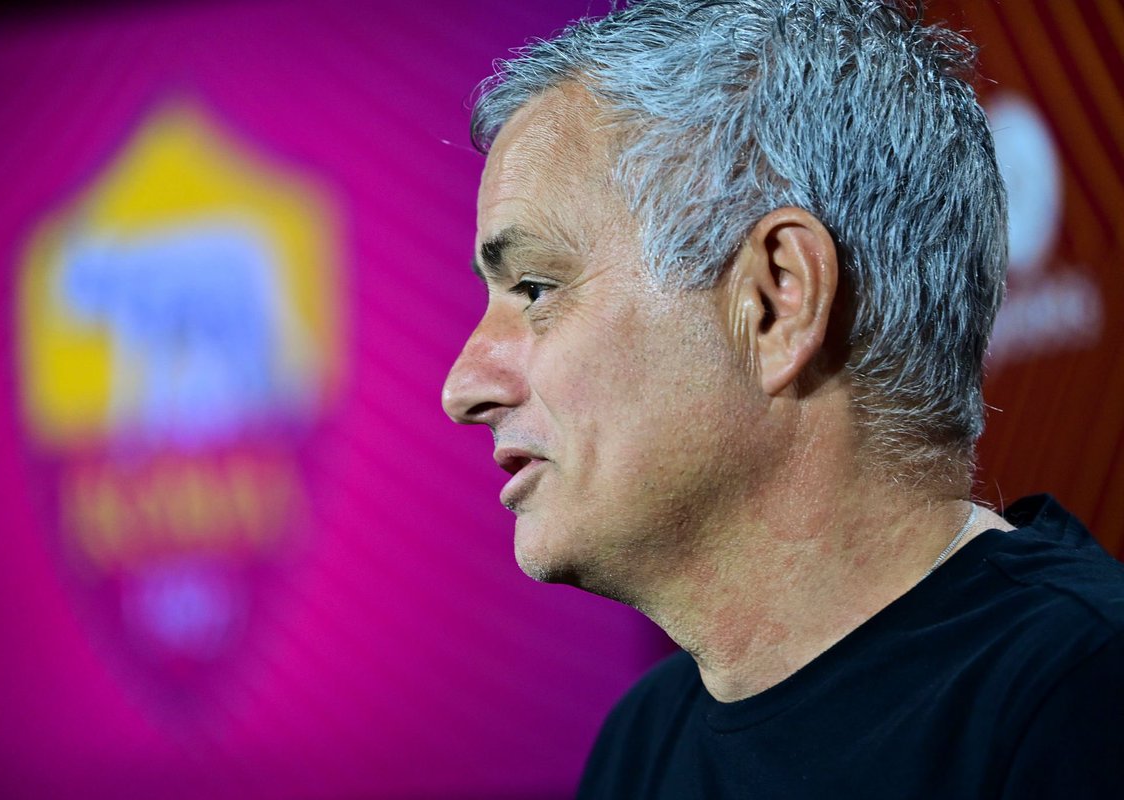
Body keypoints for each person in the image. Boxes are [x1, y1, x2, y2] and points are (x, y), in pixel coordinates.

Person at [441, 1, 1124, 797]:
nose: (462, 390)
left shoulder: (1086, 699)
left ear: (775, 301)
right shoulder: (640, 744)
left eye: (535, 288)